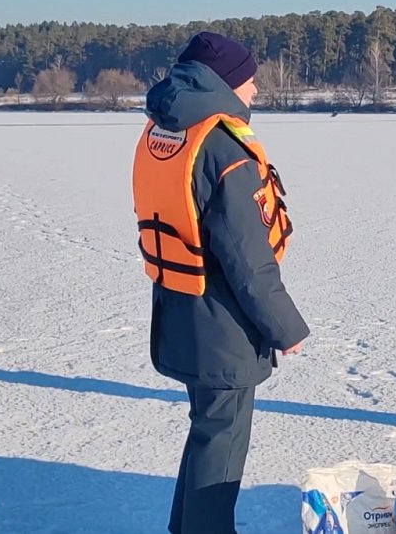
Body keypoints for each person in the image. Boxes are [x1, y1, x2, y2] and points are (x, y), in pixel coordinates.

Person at [132, 31, 310, 534]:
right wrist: (286, 328)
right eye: (249, 81)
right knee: (223, 443)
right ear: (227, 81)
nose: (253, 92)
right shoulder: (221, 146)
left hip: (179, 307)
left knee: (206, 432)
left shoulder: (164, 129)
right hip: (223, 322)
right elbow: (247, 258)